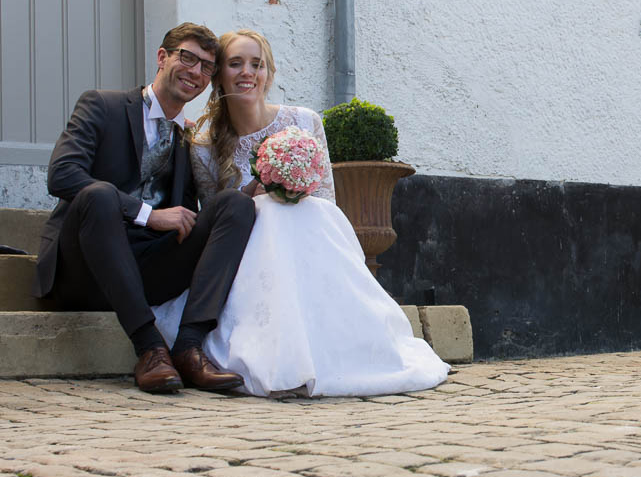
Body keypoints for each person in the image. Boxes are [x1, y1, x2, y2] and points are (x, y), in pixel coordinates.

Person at [151, 29, 449, 397]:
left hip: (309, 245)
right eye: (236, 63)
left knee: (299, 212)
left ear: (269, 74)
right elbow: (217, 217)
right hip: (248, 258)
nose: (248, 72)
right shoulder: (203, 145)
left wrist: (291, 188)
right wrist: (255, 191)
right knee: (262, 210)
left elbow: (326, 199)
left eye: (257, 64)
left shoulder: (304, 122)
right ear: (219, 76)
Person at [34, 23, 254, 394]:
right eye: (187, 57)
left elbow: (187, 217)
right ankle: (150, 348)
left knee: (234, 205)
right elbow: (62, 175)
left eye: (206, 67)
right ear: (162, 57)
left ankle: (188, 347)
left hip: (146, 267)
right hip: (84, 267)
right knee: (99, 194)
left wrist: (257, 186)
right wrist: (147, 214)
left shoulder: (187, 139)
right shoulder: (102, 105)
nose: (195, 72)